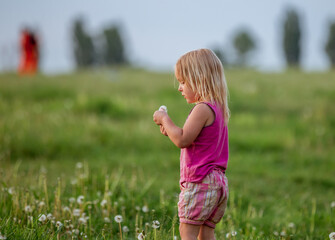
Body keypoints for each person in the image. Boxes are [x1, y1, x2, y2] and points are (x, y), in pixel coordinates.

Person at [153, 49, 230, 240]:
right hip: (218, 184)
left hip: (200, 182)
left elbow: (182, 139)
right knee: (206, 233)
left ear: (199, 79)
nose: (179, 88)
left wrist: (164, 119)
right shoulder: (218, 107)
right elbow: (194, 139)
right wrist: (169, 129)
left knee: (188, 232)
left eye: (183, 82)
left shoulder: (202, 109)